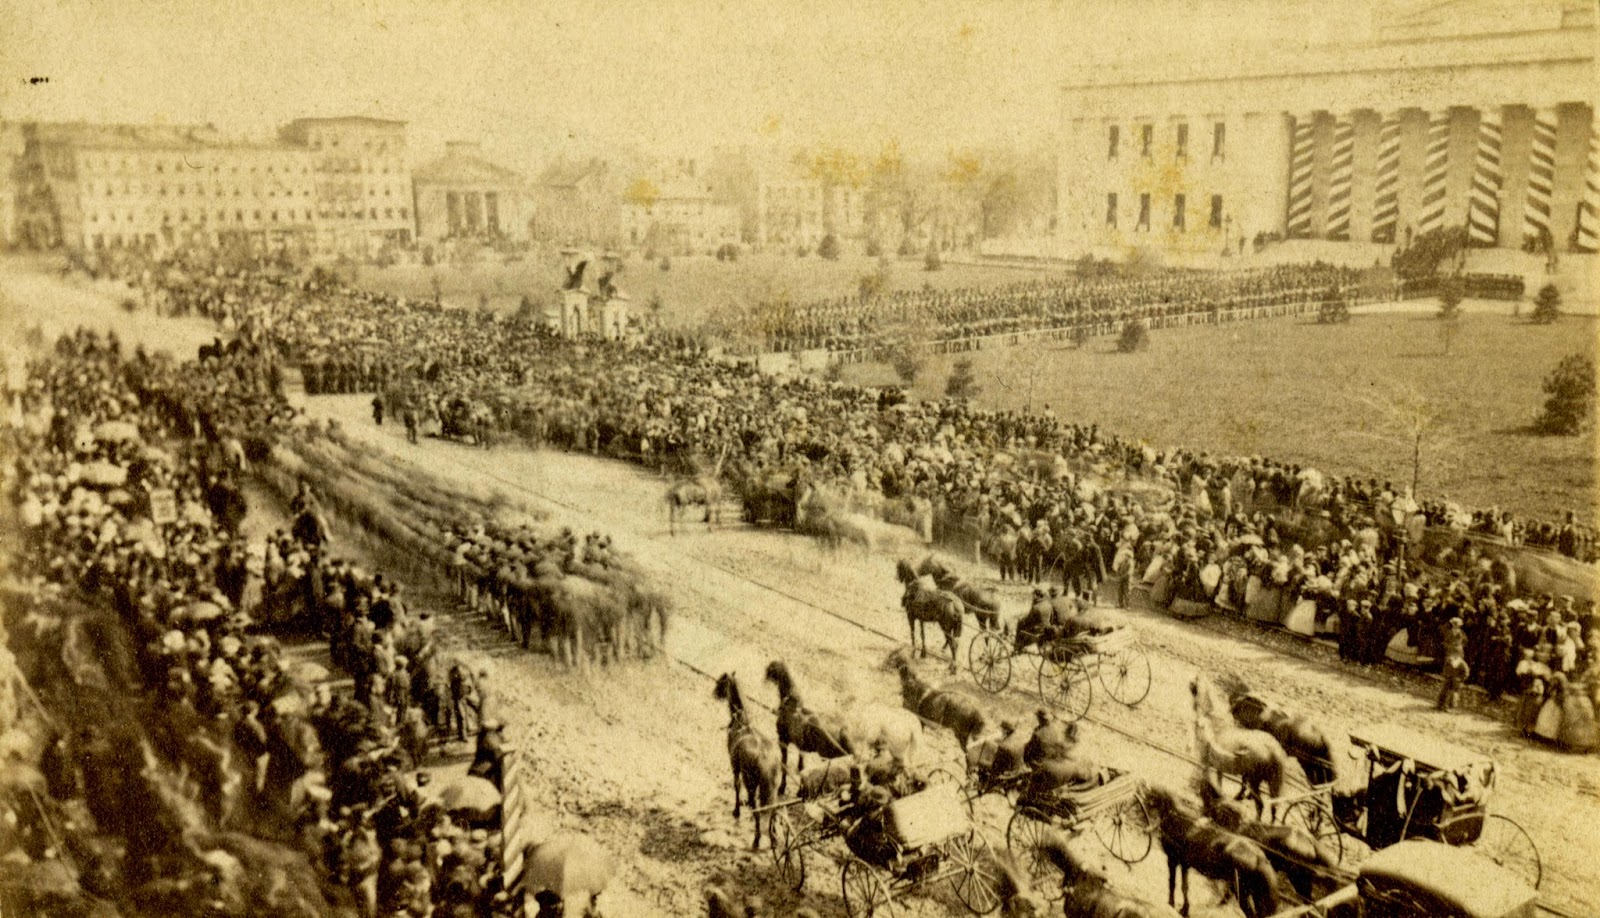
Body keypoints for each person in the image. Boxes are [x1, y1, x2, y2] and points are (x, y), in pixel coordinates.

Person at [1437, 618, 1469, 712]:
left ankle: (1450, 706)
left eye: (1457, 625)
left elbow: (1465, 641)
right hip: (1450, 652)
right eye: (1454, 625)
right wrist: (1449, 646)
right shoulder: (1449, 632)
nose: (1456, 626)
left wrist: (1459, 646)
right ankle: (1441, 704)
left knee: (1453, 689)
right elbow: (1445, 641)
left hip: (1458, 651)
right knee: (1446, 684)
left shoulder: (1461, 633)